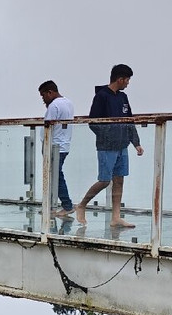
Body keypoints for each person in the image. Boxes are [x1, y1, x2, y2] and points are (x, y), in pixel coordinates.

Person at [74, 64, 143, 228]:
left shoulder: (123, 97)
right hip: (106, 147)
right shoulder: (102, 96)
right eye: (127, 80)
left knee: (119, 180)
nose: (128, 83)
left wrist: (136, 143)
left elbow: (129, 121)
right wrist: (109, 136)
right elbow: (93, 122)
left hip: (122, 146)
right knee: (105, 180)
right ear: (120, 79)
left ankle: (116, 217)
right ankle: (82, 205)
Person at [38, 81, 75, 217]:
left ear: (50, 92)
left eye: (43, 96)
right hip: (64, 145)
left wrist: (44, 145)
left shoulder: (54, 106)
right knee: (55, 175)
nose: (43, 100)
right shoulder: (68, 103)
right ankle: (52, 205)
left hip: (53, 145)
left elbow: (48, 125)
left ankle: (66, 205)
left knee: (55, 176)